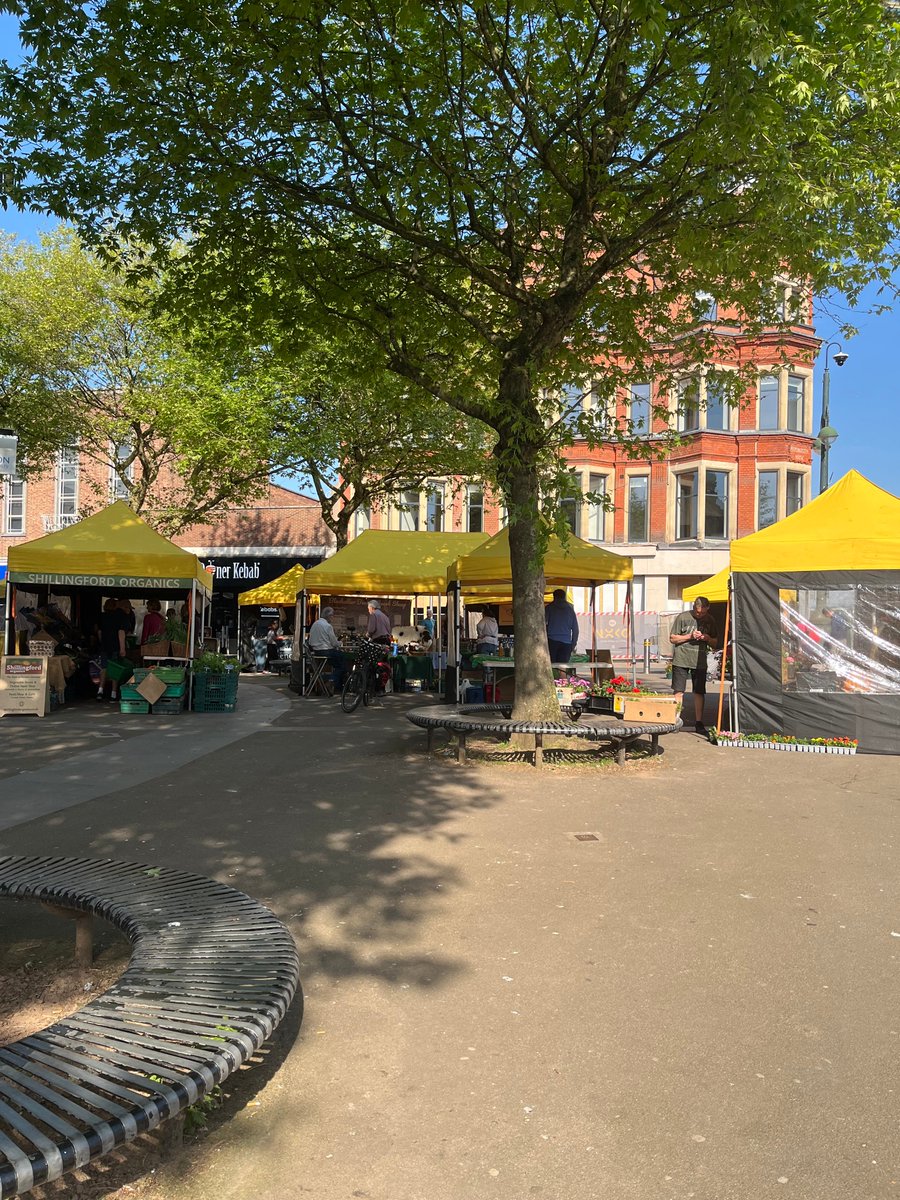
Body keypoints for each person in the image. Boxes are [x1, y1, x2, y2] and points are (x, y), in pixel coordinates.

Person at [669, 596, 719, 735]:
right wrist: (690, 636)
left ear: (708, 609)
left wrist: (707, 638)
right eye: (697, 612)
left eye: (703, 612)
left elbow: (715, 643)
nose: (700, 615)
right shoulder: (682, 617)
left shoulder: (710, 620)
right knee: (678, 691)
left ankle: (699, 722)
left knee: (699, 691)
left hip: (700, 660)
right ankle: (676, 720)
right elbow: (672, 638)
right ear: (693, 608)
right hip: (681, 658)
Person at [308, 606, 347, 690]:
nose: (332, 618)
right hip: (326, 651)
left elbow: (310, 641)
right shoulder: (328, 626)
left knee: (337, 662)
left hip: (316, 652)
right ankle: (332, 681)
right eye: (332, 616)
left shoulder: (315, 624)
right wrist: (341, 642)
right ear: (329, 616)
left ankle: (332, 681)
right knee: (342, 663)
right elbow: (334, 643)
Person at [98, 597, 128, 701]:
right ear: (116, 606)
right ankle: (113, 693)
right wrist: (122, 648)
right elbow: (121, 632)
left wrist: (102, 641)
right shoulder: (120, 616)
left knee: (104, 667)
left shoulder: (102, 616)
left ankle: (100, 691)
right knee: (115, 669)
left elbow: (99, 632)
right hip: (115, 645)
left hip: (104, 645)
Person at [545, 588, 580, 664]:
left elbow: (543, 625)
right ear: (564, 597)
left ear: (554, 597)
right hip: (566, 642)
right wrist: (573, 644)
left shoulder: (549, 608)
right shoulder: (570, 610)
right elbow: (575, 629)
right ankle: (562, 676)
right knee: (563, 667)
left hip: (552, 641)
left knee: (551, 666)